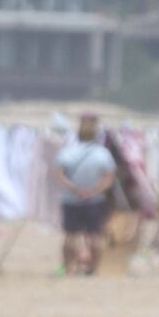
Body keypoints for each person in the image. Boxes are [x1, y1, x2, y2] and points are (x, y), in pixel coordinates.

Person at [53, 113, 118, 275]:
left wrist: (75, 190)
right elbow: (109, 179)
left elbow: (59, 175)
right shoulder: (103, 153)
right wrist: (92, 191)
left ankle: (68, 268)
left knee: (70, 236)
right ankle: (93, 269)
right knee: (95, 236)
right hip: (95, 200)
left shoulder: (67, 152)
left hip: (71, 199)